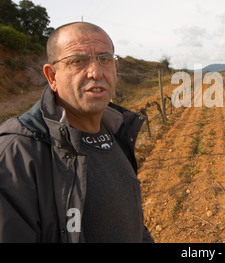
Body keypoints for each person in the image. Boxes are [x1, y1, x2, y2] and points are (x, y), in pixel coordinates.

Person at [0, 22, 153, 243]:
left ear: (115, 69)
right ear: (52, 76)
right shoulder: (17, 154)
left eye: (105, 59)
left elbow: (133, 223)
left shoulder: (118, 132)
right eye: (78, 61)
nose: (96, 72)